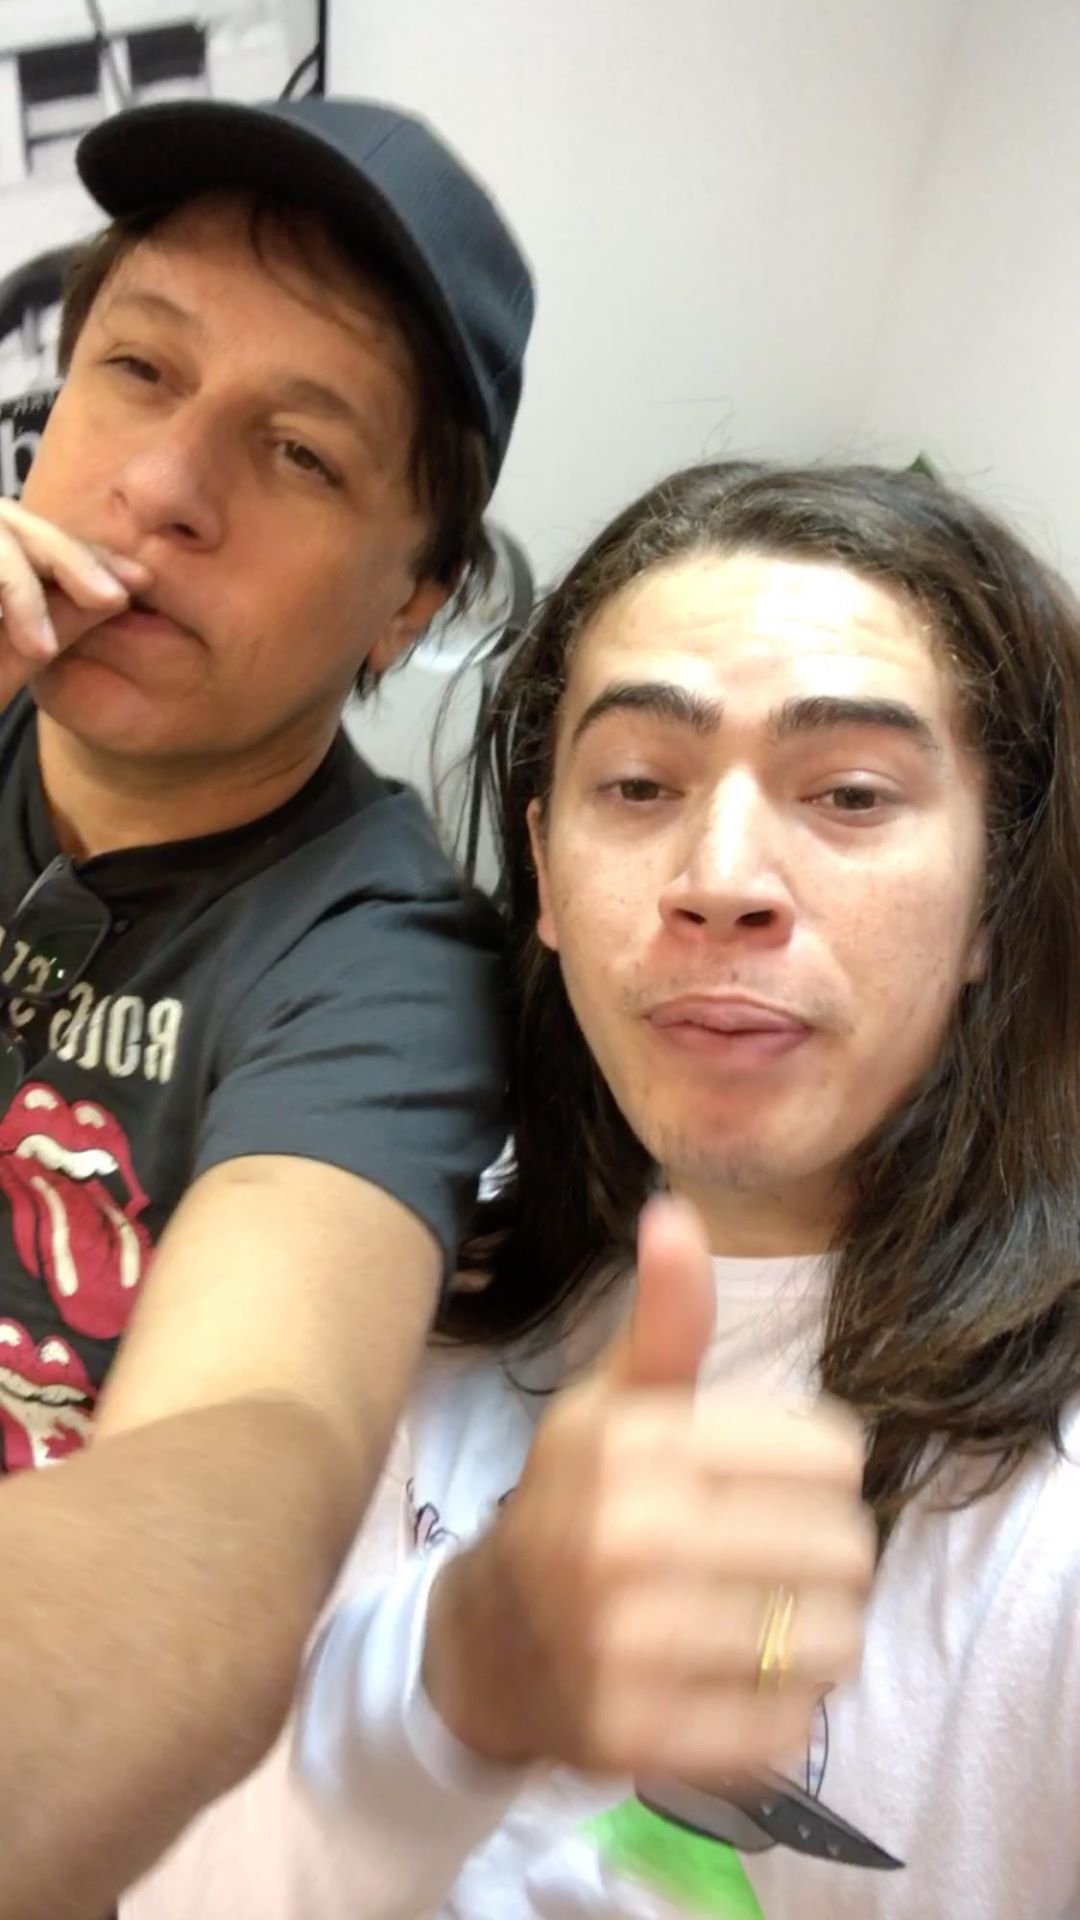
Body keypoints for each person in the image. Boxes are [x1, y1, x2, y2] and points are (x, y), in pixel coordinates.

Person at [274, 459, 1079, 1920]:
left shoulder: (1044, 1521)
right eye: (639, 785)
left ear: (996, 895)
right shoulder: (402, 1271)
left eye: (849, 794)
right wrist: (460, 1678)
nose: (720, 879)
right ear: (542, 864)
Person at [0, 92, 532, 1919]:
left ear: (409, 606)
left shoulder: (383, 959)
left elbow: (248, 1472)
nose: (166, 485)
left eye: (299, 453)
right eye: (139, 370)